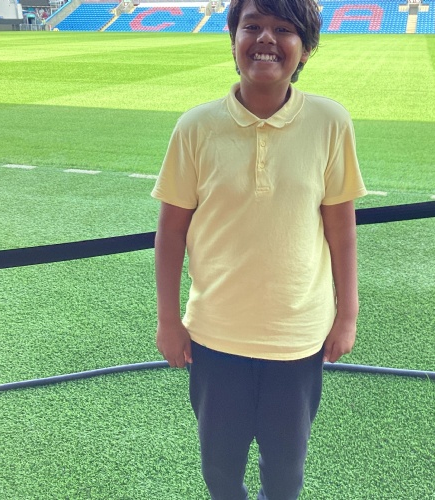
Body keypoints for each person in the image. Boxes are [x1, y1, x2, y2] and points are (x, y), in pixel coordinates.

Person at [152, 0, 367, 498]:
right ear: (233, 40)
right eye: (252, 26)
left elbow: (341, 228)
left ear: (305, 49)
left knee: (286, 471)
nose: (266, 38)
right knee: (220, 469)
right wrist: (168, 320)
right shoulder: (195, 127)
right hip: (215, 337)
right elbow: (171, 233)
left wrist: (347, 315)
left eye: (284, 29)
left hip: (298, 338)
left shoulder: (330, 122)